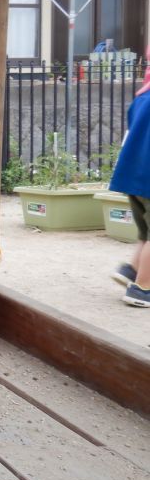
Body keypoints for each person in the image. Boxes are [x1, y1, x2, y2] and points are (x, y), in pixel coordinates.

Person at [109, 65, 150, 307]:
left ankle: (131, 271)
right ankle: (142, 289)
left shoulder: (141, 97)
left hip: (132, 176)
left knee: (145, 232)